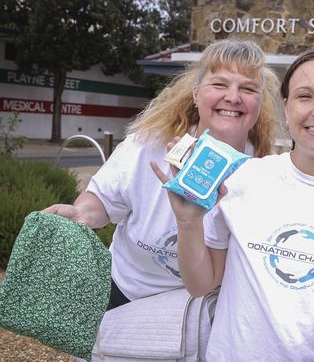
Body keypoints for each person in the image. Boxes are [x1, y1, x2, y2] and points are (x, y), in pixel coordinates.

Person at [152, 47, 314, 361]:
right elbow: (202, 284)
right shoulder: (243, 179)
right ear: (286, 107)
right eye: (305, 96)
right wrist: (189, 223)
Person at [43, 39, 281, 310]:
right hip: (123, 295)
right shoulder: (150, 145)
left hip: (199, 315)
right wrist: (82, 214)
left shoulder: (263, 172)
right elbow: (104, 200)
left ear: (260, 103)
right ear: (196, 94)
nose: (233, 97)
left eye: (248, 89)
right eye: (219, 84)